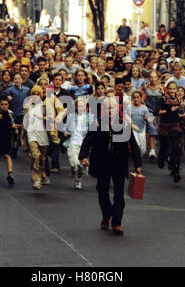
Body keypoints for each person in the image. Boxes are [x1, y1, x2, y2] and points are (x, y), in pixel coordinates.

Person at [79, 96, 142, 236]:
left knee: (119, 194)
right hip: (101, 162)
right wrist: (83, 156)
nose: (109, 110)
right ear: (103, 109)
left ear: (116, 109)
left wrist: (138, 164)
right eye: (107, 108)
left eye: (112, 108)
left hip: (119, 162)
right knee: (102, 191)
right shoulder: (96, 124)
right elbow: (87, 141)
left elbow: (134, 145)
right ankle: (107, 214)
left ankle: (117, 223)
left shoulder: (124, 125)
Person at [153, 81, 184, 183]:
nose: (172, 91)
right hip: (164, 126)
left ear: (176, 90)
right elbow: (156, 111)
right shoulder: (163, 99)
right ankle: (161, 159)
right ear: (167, 89)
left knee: (176, 148)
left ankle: (176, 171)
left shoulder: (179, 100)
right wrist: (169, 110)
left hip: (175, 125)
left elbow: (181, 112)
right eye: (170, 89)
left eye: (174, 89)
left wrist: (182, 114)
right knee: (164, 147)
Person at [23, 85, 50, 190]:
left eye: (38, 94)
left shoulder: (44, 106)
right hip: (31, 133)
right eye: (33, 94)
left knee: (42, 157)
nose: (35, 96)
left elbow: (51, 119)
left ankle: (41, 172)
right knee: (35, 155)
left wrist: (43, 117)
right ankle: (36, 179)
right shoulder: (27, 106)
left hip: (42, 133)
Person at [63, 98, 92, 189]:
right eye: (78, 106)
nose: (80, 108)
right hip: (73, 142)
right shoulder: (71, 116)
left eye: (82, 106)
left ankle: (78, 180)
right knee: (74, 162)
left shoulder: (89, 117)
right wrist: (65, 132)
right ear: (75, 107)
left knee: (82, 165)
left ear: (86, 107)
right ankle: (73, 168)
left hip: (85, 144)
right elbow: (65, 126)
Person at [131, 91, 150, 156]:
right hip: (133, 129)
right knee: (136, 144)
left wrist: (146, 119)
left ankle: (140, 156)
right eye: (134, 97)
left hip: (141, 129)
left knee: (143, 149)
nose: (136, 99)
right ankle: (136, 159)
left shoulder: (144, 108)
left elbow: (149, 119)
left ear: (141, 98)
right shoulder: (130, 107)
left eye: (138, 97)